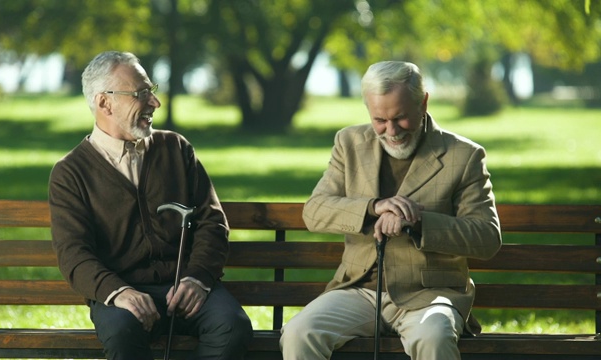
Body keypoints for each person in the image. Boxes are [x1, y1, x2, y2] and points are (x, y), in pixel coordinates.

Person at [280, 61, 502, 360]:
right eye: (379, 120)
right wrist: (372, 207)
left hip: (429, 295)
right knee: (299, 333)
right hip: (357, 290)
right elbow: (315, 211)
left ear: (423, 102)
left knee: (433, 338)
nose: (392, 131)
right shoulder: (349, 142)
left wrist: (419, 222)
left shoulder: (463, 155)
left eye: (400, 118)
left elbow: (487, 237)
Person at [49, 51, 253, 360]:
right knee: (120, 332)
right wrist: (118, 293)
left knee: (232, 326)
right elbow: (73, 252)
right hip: (121, 293)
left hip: (187, 288)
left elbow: (212, 222)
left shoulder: (177, 148)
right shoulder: (71, 172)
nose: (155, 103)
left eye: (151, 91)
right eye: (141, 94)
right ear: (105, 102)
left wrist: (197, 278)